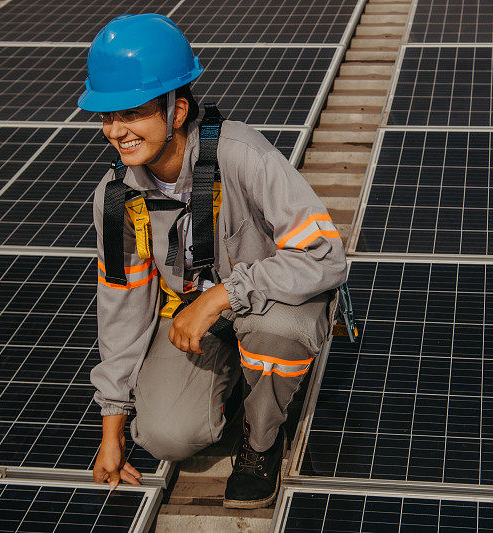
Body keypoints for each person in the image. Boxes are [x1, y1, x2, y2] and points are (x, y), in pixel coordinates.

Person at [77, 13, 347, 509]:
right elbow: (122, 306)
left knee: (278, 334)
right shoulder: (116, 198)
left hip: (271, 306)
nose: (118, 130)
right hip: (195, 317)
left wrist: (223, 295)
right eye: (108, 116)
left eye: (133, 112)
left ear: (176, 110)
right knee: (164, 436)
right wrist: (112, 425)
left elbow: (326, 255)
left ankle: (261, 439)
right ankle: (232, 385)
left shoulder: (241, 155)